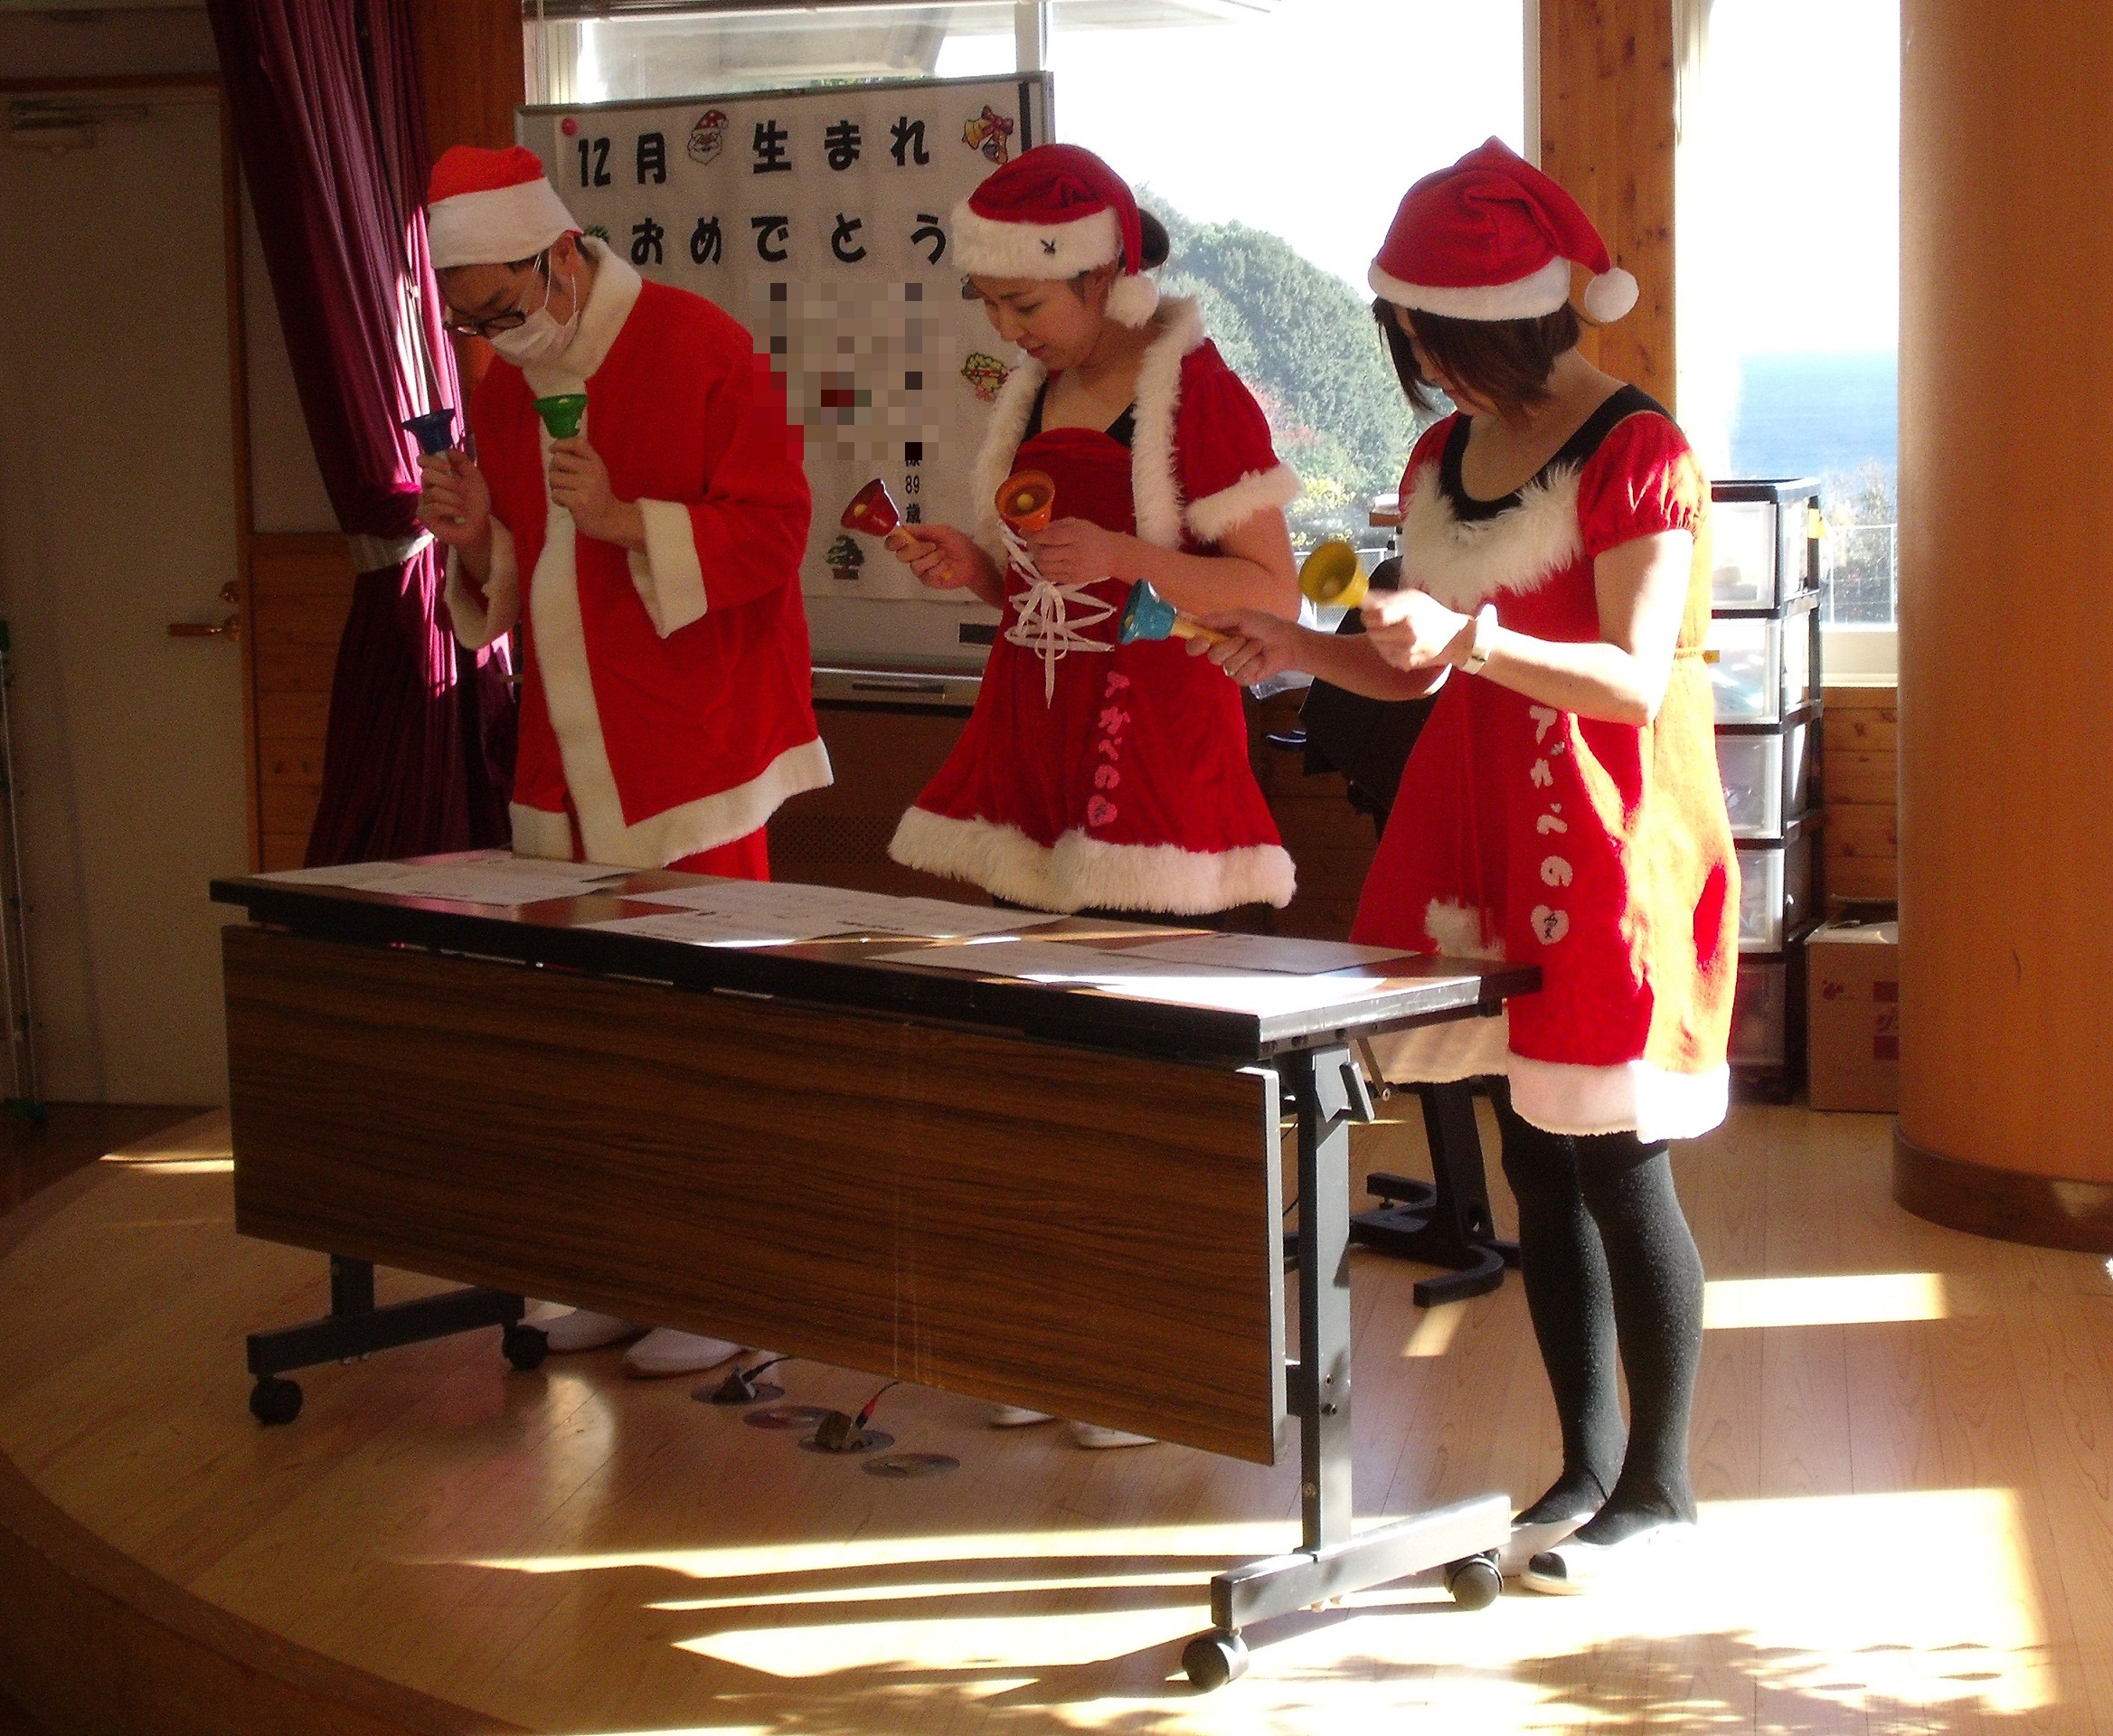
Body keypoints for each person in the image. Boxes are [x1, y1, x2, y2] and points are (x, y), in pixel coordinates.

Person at [1198, 139, 1732, 1588]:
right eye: (1410, 334)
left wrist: (1472, 639)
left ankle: (1661, 1491)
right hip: (1481, 829)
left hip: (1607, 837)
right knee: (1532, 1158)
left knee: (1616, 1158)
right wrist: (1295, 646)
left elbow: (1634, 679)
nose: (1420, 363)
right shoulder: (1440, 457)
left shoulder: (1639, 449)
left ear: (1506, 321)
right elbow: (1411, 671)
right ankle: (1587, 1471)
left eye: (1432, 336)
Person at [883, 143, 1303, 1447]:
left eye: (1026, 304)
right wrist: (969, 568)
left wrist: (1125, 552)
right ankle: (1059, 1336)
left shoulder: (1196, 391)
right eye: (992, 305)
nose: (1007, 330)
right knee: (1040, 1054)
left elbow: (1275, 592)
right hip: (1037, 736)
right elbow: (1033, 577)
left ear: (1105, 272)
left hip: (1151, 750)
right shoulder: (1035, 390)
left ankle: (1155, 1347)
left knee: (1151, 1066)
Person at [414, 145, 832, 1378]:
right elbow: (522, 570)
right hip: (564, 749)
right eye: (468, 321)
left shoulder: (698, 344)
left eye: (501, 308)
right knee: (592, 1029)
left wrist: (622, 522)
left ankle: (729, 1284)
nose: (491, 338)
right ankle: (620, 1270)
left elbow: (778, 531)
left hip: (694, 746)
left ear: (558, 255)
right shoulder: (508, 382)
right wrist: (476, 536)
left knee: (710, 1030)